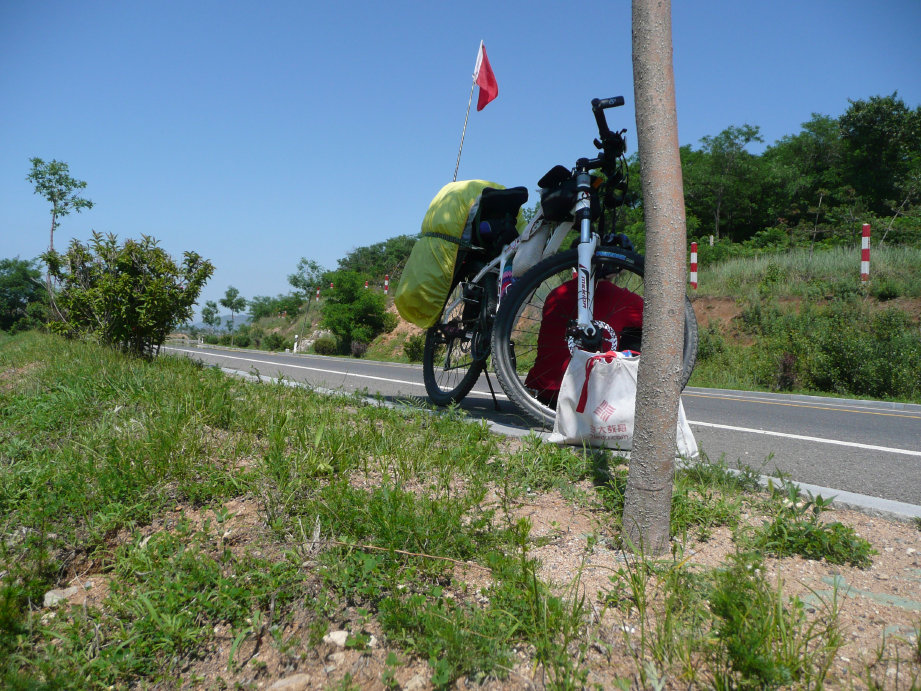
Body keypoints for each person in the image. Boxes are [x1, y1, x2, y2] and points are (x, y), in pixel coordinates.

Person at [524, 275, 643, 406]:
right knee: (642, 331)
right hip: (591, 401)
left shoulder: (557, 293)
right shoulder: (626, 299)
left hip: (541, 394)